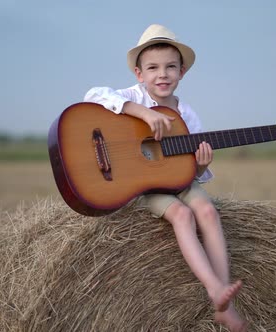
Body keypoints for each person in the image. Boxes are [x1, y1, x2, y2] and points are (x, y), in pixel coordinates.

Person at [83, 24, 247, 332]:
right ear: (138, 73)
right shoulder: (131, 97)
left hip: (180, 181)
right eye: (153, 68)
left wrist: (200, 166)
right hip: (143, 187)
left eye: (171, 67)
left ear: (182, 72)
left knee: (208, 211)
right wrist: (142, 113)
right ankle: (213, 290)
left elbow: (190, 171)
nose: (163, 74)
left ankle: (226, 303)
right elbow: (93, 95)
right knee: (182, 216)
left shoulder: (188, 115)